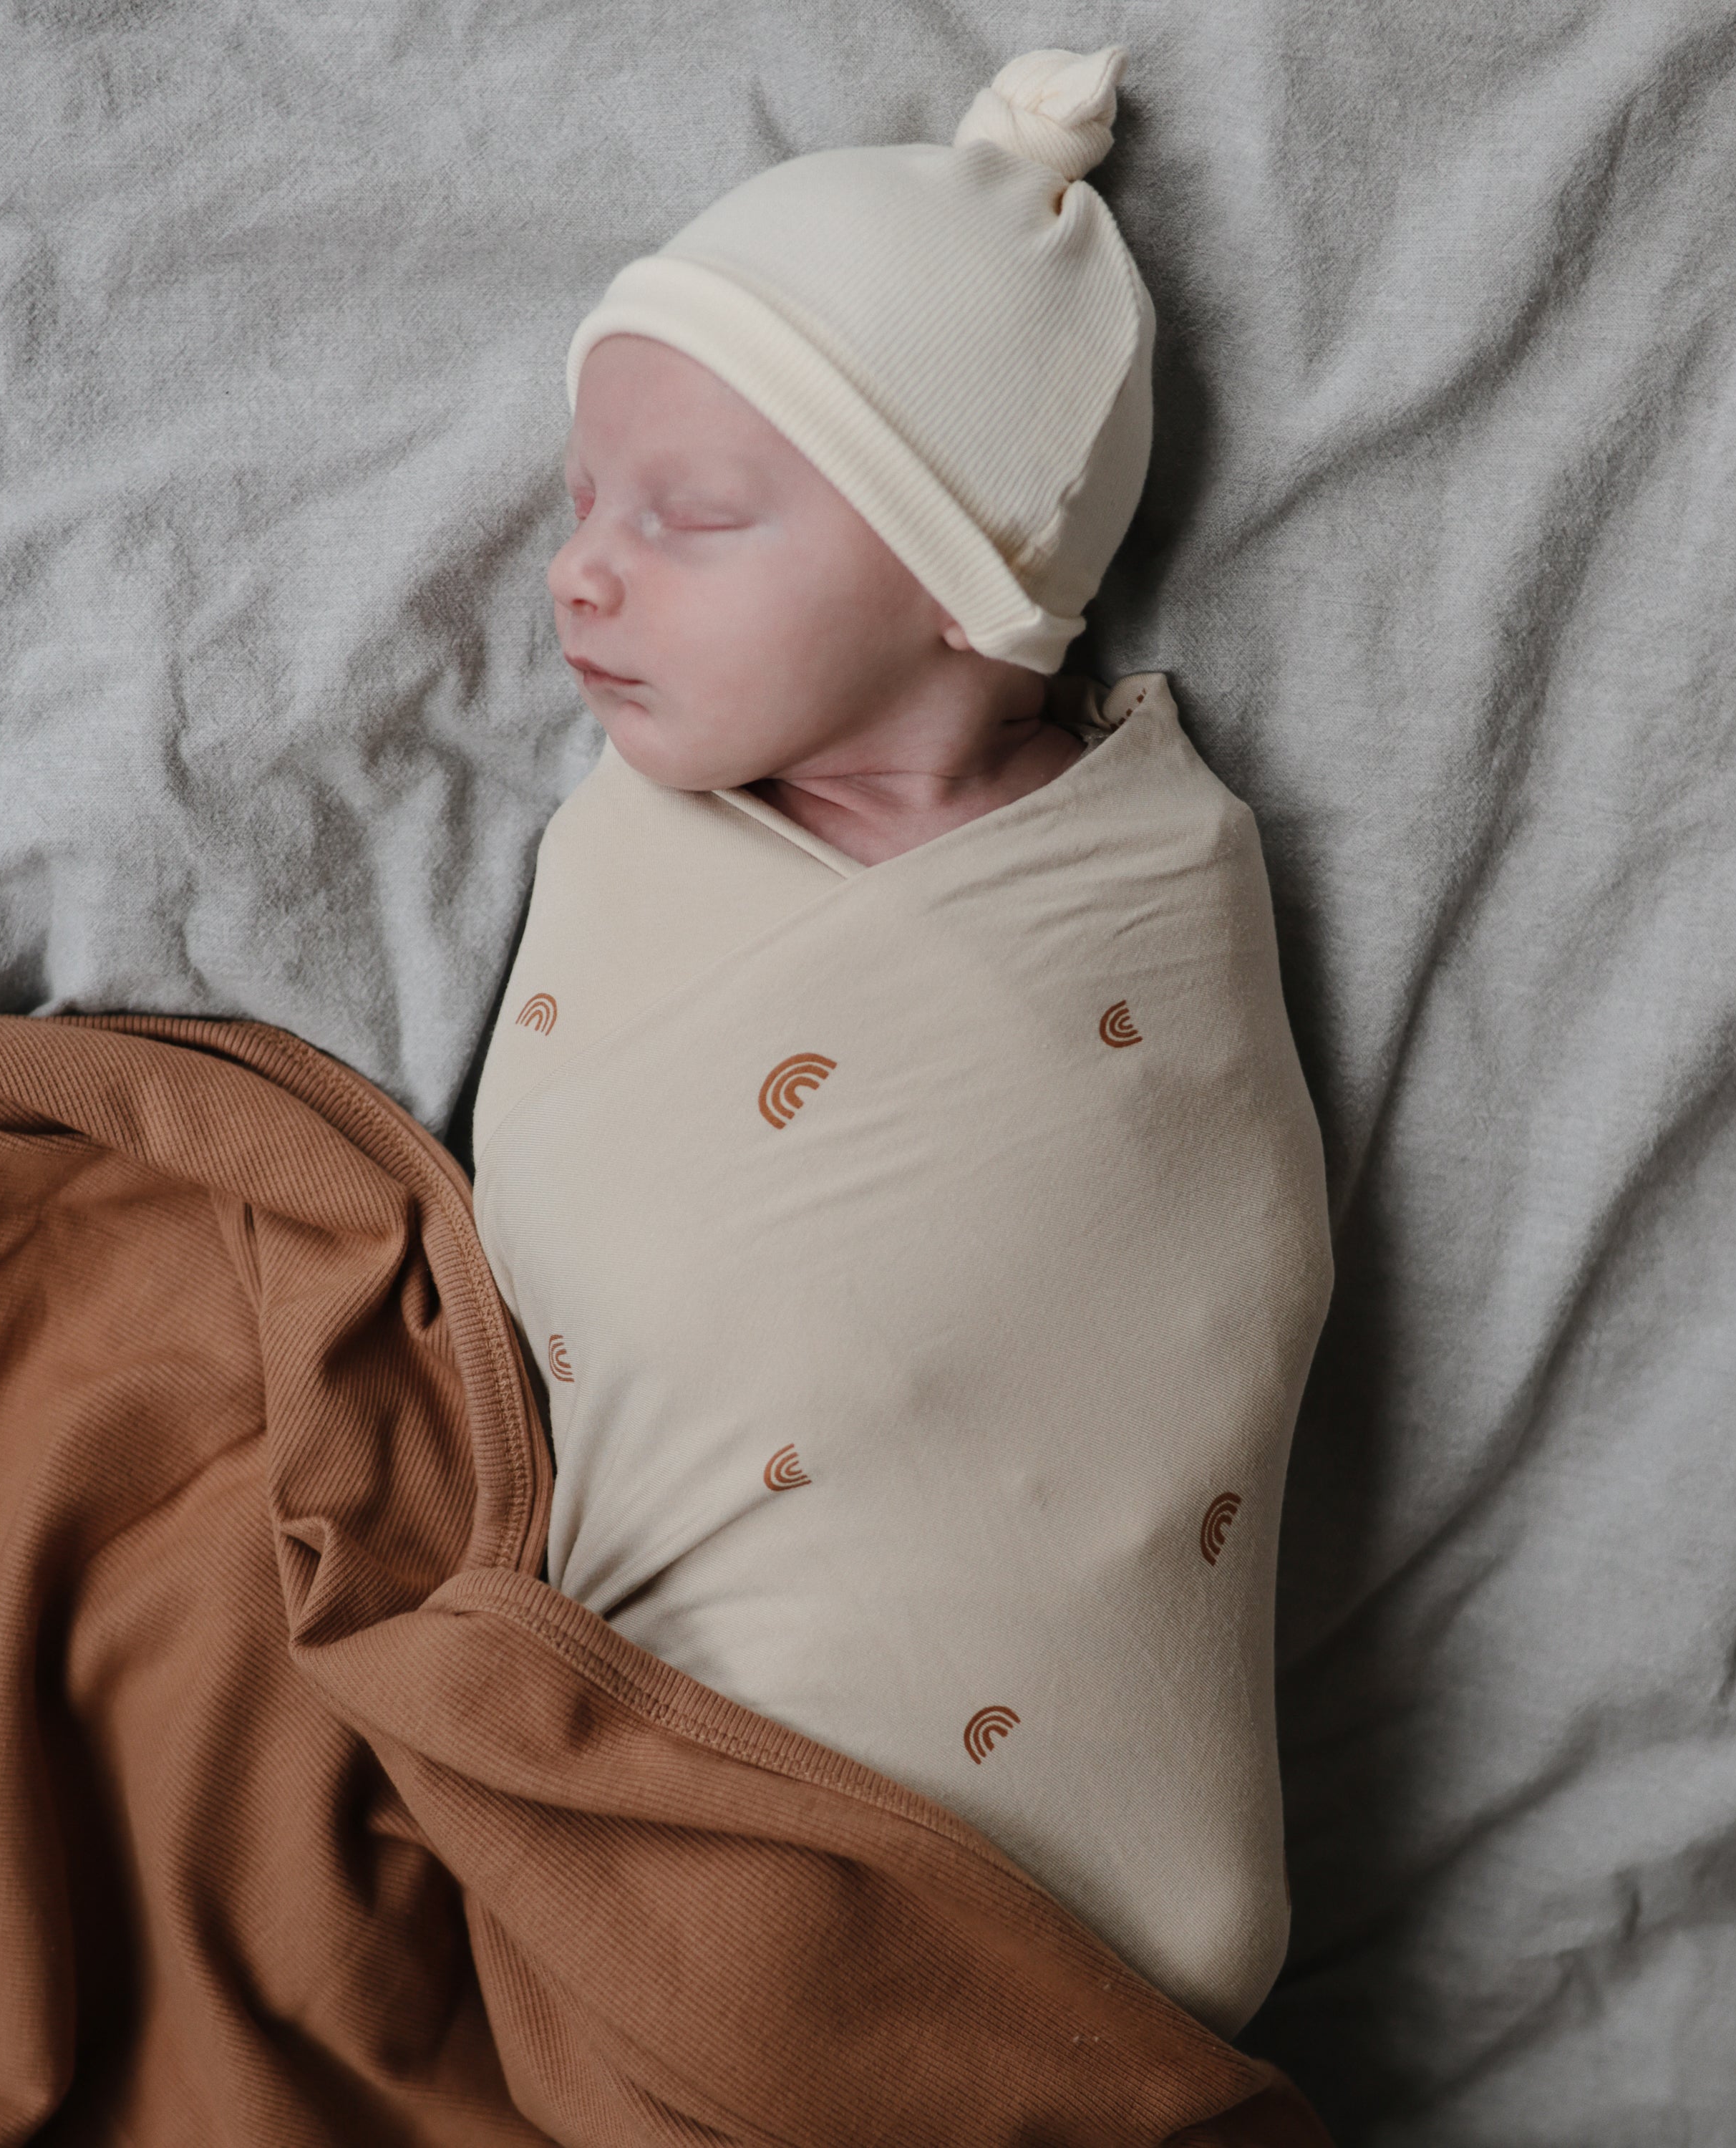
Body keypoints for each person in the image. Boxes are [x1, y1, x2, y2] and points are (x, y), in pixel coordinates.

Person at [470, 46, 1334, 2038]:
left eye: (688, 515)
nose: (577, 567)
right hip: (660, 1818)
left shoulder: (1149, 882)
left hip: (1095, 1905)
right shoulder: (639, 850)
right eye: (586, 497)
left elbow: (1210, 1278)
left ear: (969, 579)